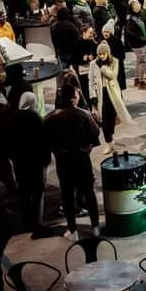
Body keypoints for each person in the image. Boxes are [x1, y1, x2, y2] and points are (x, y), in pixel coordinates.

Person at [43, 85, 101, 240]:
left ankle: (72, 230)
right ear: (71, 97)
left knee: (67, 194)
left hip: (63, 162)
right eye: (76, 94)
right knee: (89, 192)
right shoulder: (81, 114)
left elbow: (46, 141)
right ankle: (95, 226)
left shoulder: (49, 118)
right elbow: (95, 132)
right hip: (81, 159)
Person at [4, 91, 48, 236]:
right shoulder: (35, 118)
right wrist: (46, 158)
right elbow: (43, 141)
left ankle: (28, 222)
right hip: (35, 161)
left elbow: (8, 142)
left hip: (19, 161)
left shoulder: (12, 118)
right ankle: (38, 224)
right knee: (37, 193)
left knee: (24, 192)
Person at [88, 41, 133, 154]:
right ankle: (109, 142)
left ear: (108, 53)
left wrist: (102, 68)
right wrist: (93, 95)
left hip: (112, 93)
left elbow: (112, 76)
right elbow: (91, 80)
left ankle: (110, 139)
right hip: (100, 94)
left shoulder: (115, 61)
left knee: (112, 117)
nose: (102, 56)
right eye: (100, 54)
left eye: (104, 53)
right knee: (104, 120)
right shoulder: (93, 64)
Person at [125, 0, 146, 88]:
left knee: (139, 61)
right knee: (143, 62)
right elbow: (130, 32)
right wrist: (142, 39)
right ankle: (141, 82)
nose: (138, 6)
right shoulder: (131, 18)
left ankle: (137, 79)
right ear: (131, 8)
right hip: (138, 44)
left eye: (138, 4)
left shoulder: (138, 15)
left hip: (141, 43)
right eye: (135, 6)